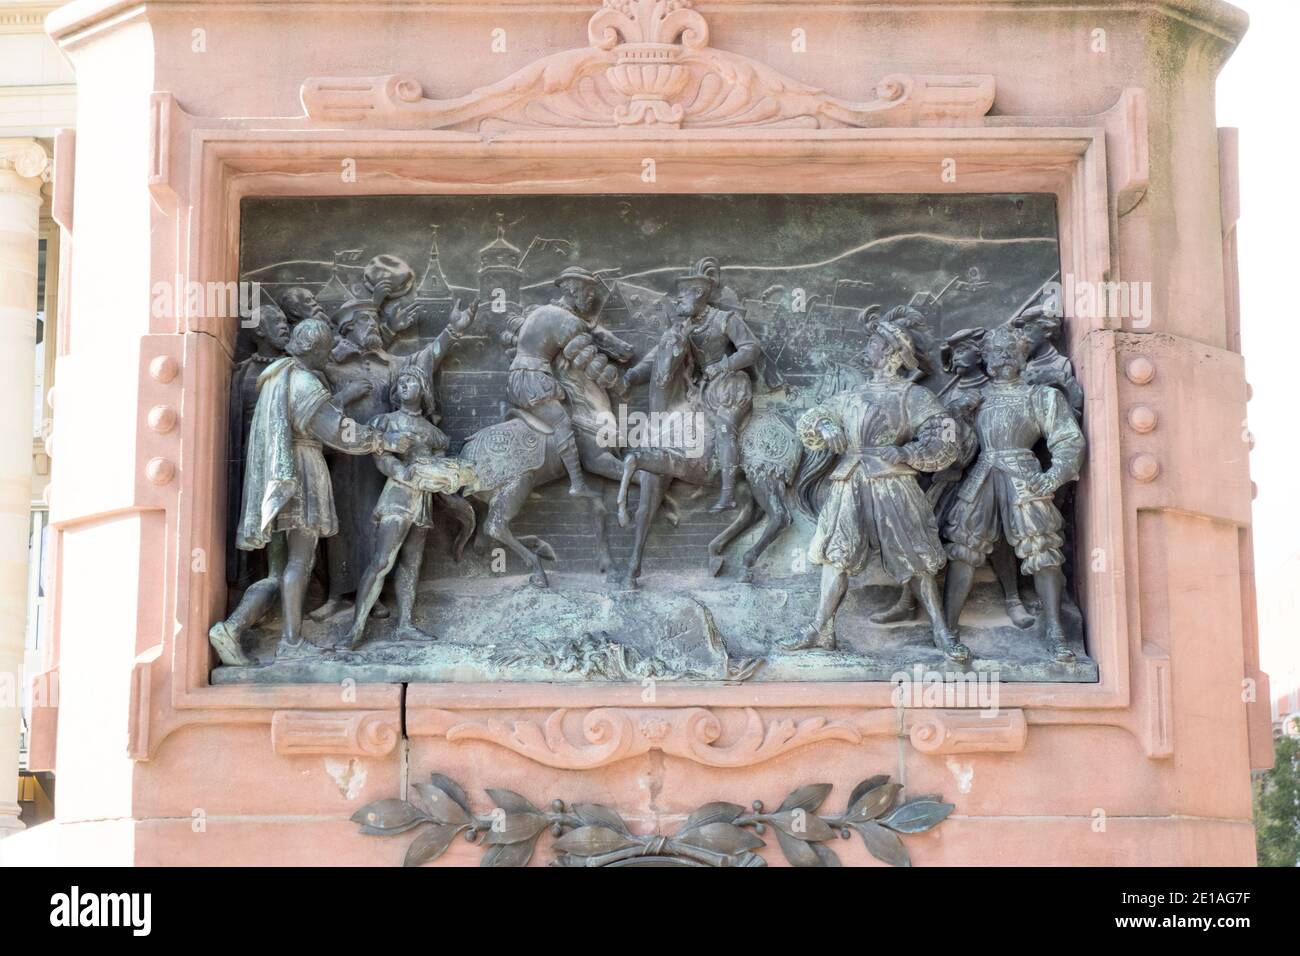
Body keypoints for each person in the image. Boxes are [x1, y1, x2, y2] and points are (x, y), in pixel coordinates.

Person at [208, 319, 412, 666]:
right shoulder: (303, 383)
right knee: (301, 560)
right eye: (326, 347)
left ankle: (231, 628)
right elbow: (336, 430)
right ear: (313, 348)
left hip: (277, 480)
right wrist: (383, 439)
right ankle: (291, 642)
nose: (330, 352)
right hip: (300, 475)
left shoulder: (278, 376)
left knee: (276, 571)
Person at [782, 308, 967, 662]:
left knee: (915, 557)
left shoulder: (912, 396)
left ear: (894, 354)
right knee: (836, 555)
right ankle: (820, 630)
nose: (867, 347)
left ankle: (942, 633)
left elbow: (945, 438)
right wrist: (825, 427)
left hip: (893, 483)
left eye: (875, 342)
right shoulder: (853, 394)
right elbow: (814, 416)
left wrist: (904, 451)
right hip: (848, 481)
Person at [942, 325, 1086, 662]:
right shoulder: (976, 398)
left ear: (1023, 357)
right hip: (982, 474)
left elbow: (1068, 440)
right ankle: (947, 629)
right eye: (995, 351)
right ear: (986, 359)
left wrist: (1054, 477)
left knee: (1042, 548)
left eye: (1010, 350)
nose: (1003, 356)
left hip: (1024, 473)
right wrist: (958, 417)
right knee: (963, 547)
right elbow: (956, 452)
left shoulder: (1041, 396)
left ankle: (1055, 631)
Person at [347, 365, 475, 649]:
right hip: (398, 496)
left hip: (423, 501)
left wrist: (449, 479)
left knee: (411, 564)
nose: (405, 386)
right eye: (401, 382)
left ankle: (405, 624)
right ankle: (354, 629)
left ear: (424, 390)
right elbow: (381, 458)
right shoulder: (387, 421)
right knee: (382, 561)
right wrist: (403, 472)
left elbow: (440, 467)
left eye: (411, 381)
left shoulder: (432, 432)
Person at [506, 266, 628, 498]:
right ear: (573, 289)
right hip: (533, 379)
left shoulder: (541, 311)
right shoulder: (566, 321)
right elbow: (588, 361)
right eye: (588, 293)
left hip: (521, 376)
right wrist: (617, 384)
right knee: (562, 423)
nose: (592, 299)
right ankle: (577, 484)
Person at [666, 257, 761, 511]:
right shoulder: (685, 327)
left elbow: (751, 349)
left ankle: (728, 494)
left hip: (730, 387)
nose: (677, 301)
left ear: (699, 293)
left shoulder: (724, 319)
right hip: (703, 389)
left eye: (682, 296)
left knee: (723, 430)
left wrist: (722, 365)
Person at [226, 302, 290, 593]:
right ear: (260, 330)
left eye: (285, 320)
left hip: (286, 462)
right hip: (251, 465)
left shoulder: (295, 369)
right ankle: (253, 584)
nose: (284, 325)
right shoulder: (243, 374)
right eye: (276, 321)